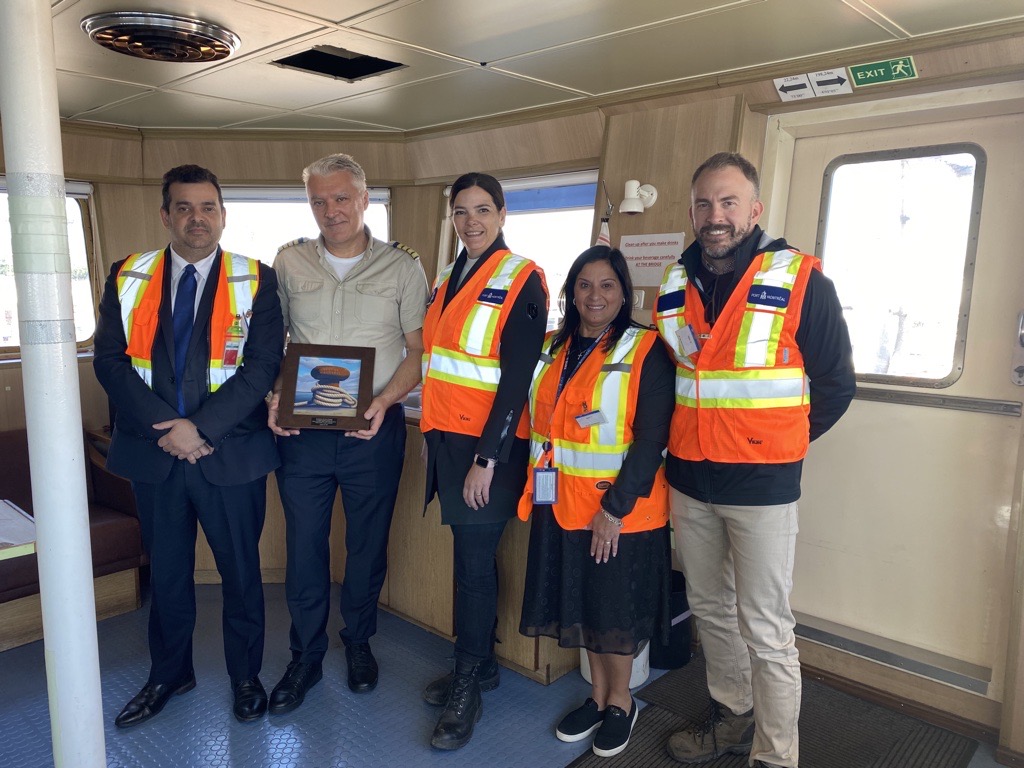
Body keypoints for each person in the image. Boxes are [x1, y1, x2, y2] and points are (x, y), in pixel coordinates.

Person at [654, 152, 855, 768]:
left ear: (755, 209)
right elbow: (674, 380)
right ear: (691, 211)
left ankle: (776, 756)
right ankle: (733, 717)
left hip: (763, 489)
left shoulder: (800, 279)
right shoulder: (673, 282)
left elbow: (836, 384)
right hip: (689, 481)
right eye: (705, 204)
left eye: (729, 202)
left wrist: (774, 447)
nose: (716, 216)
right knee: (711, 609)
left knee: (767, 628)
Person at [94, 164, 283, 726]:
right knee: (169, 575)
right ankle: (169, 674)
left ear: (222, 215)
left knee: (242, 575)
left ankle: (246, 676)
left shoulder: (257, 278)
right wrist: (167, 427)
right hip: (157, 456)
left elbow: (263, 365)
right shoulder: (127, 274)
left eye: (207, 208)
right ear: (165, 214)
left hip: (230, 454)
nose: (196, 219)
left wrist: (200, 430)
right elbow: (110, 363)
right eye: (184, 207)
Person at [266, 153, 428, 713]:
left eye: (340, 198)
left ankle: (358, 642)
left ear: (364, 199)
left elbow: (416, 351)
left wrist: (385, 402)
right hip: (304, 434)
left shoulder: (403, 268)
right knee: (304, 549)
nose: (330, 210)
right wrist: (272, 397)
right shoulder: (287, 264)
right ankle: (304, 657)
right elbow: (274, 343)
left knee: (366, 548)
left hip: (373, 430)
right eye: (318, 200)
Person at [519, 245, 674, 759]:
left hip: (620, 512)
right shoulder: (551, 348)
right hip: (560, 502)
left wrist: (615, 510)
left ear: (624, 292)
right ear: (571, 292)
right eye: (584, 284)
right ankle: (596, 695)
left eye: (607, 285)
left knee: (614, 610)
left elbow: (651, 439)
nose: (595, 295)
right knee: (583, 601)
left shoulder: (645, 349)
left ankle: (620, 702)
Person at [419, 172, 548, 750]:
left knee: (473, 568)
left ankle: (468, 682)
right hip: (448, 442)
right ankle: (483, 664)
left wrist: (487, 458)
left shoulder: (522, 277)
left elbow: (517, 379)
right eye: (461, 212)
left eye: (482, 210)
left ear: (502, 214)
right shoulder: (450, 274)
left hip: (487, 452)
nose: (471, 221)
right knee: (470, 562)